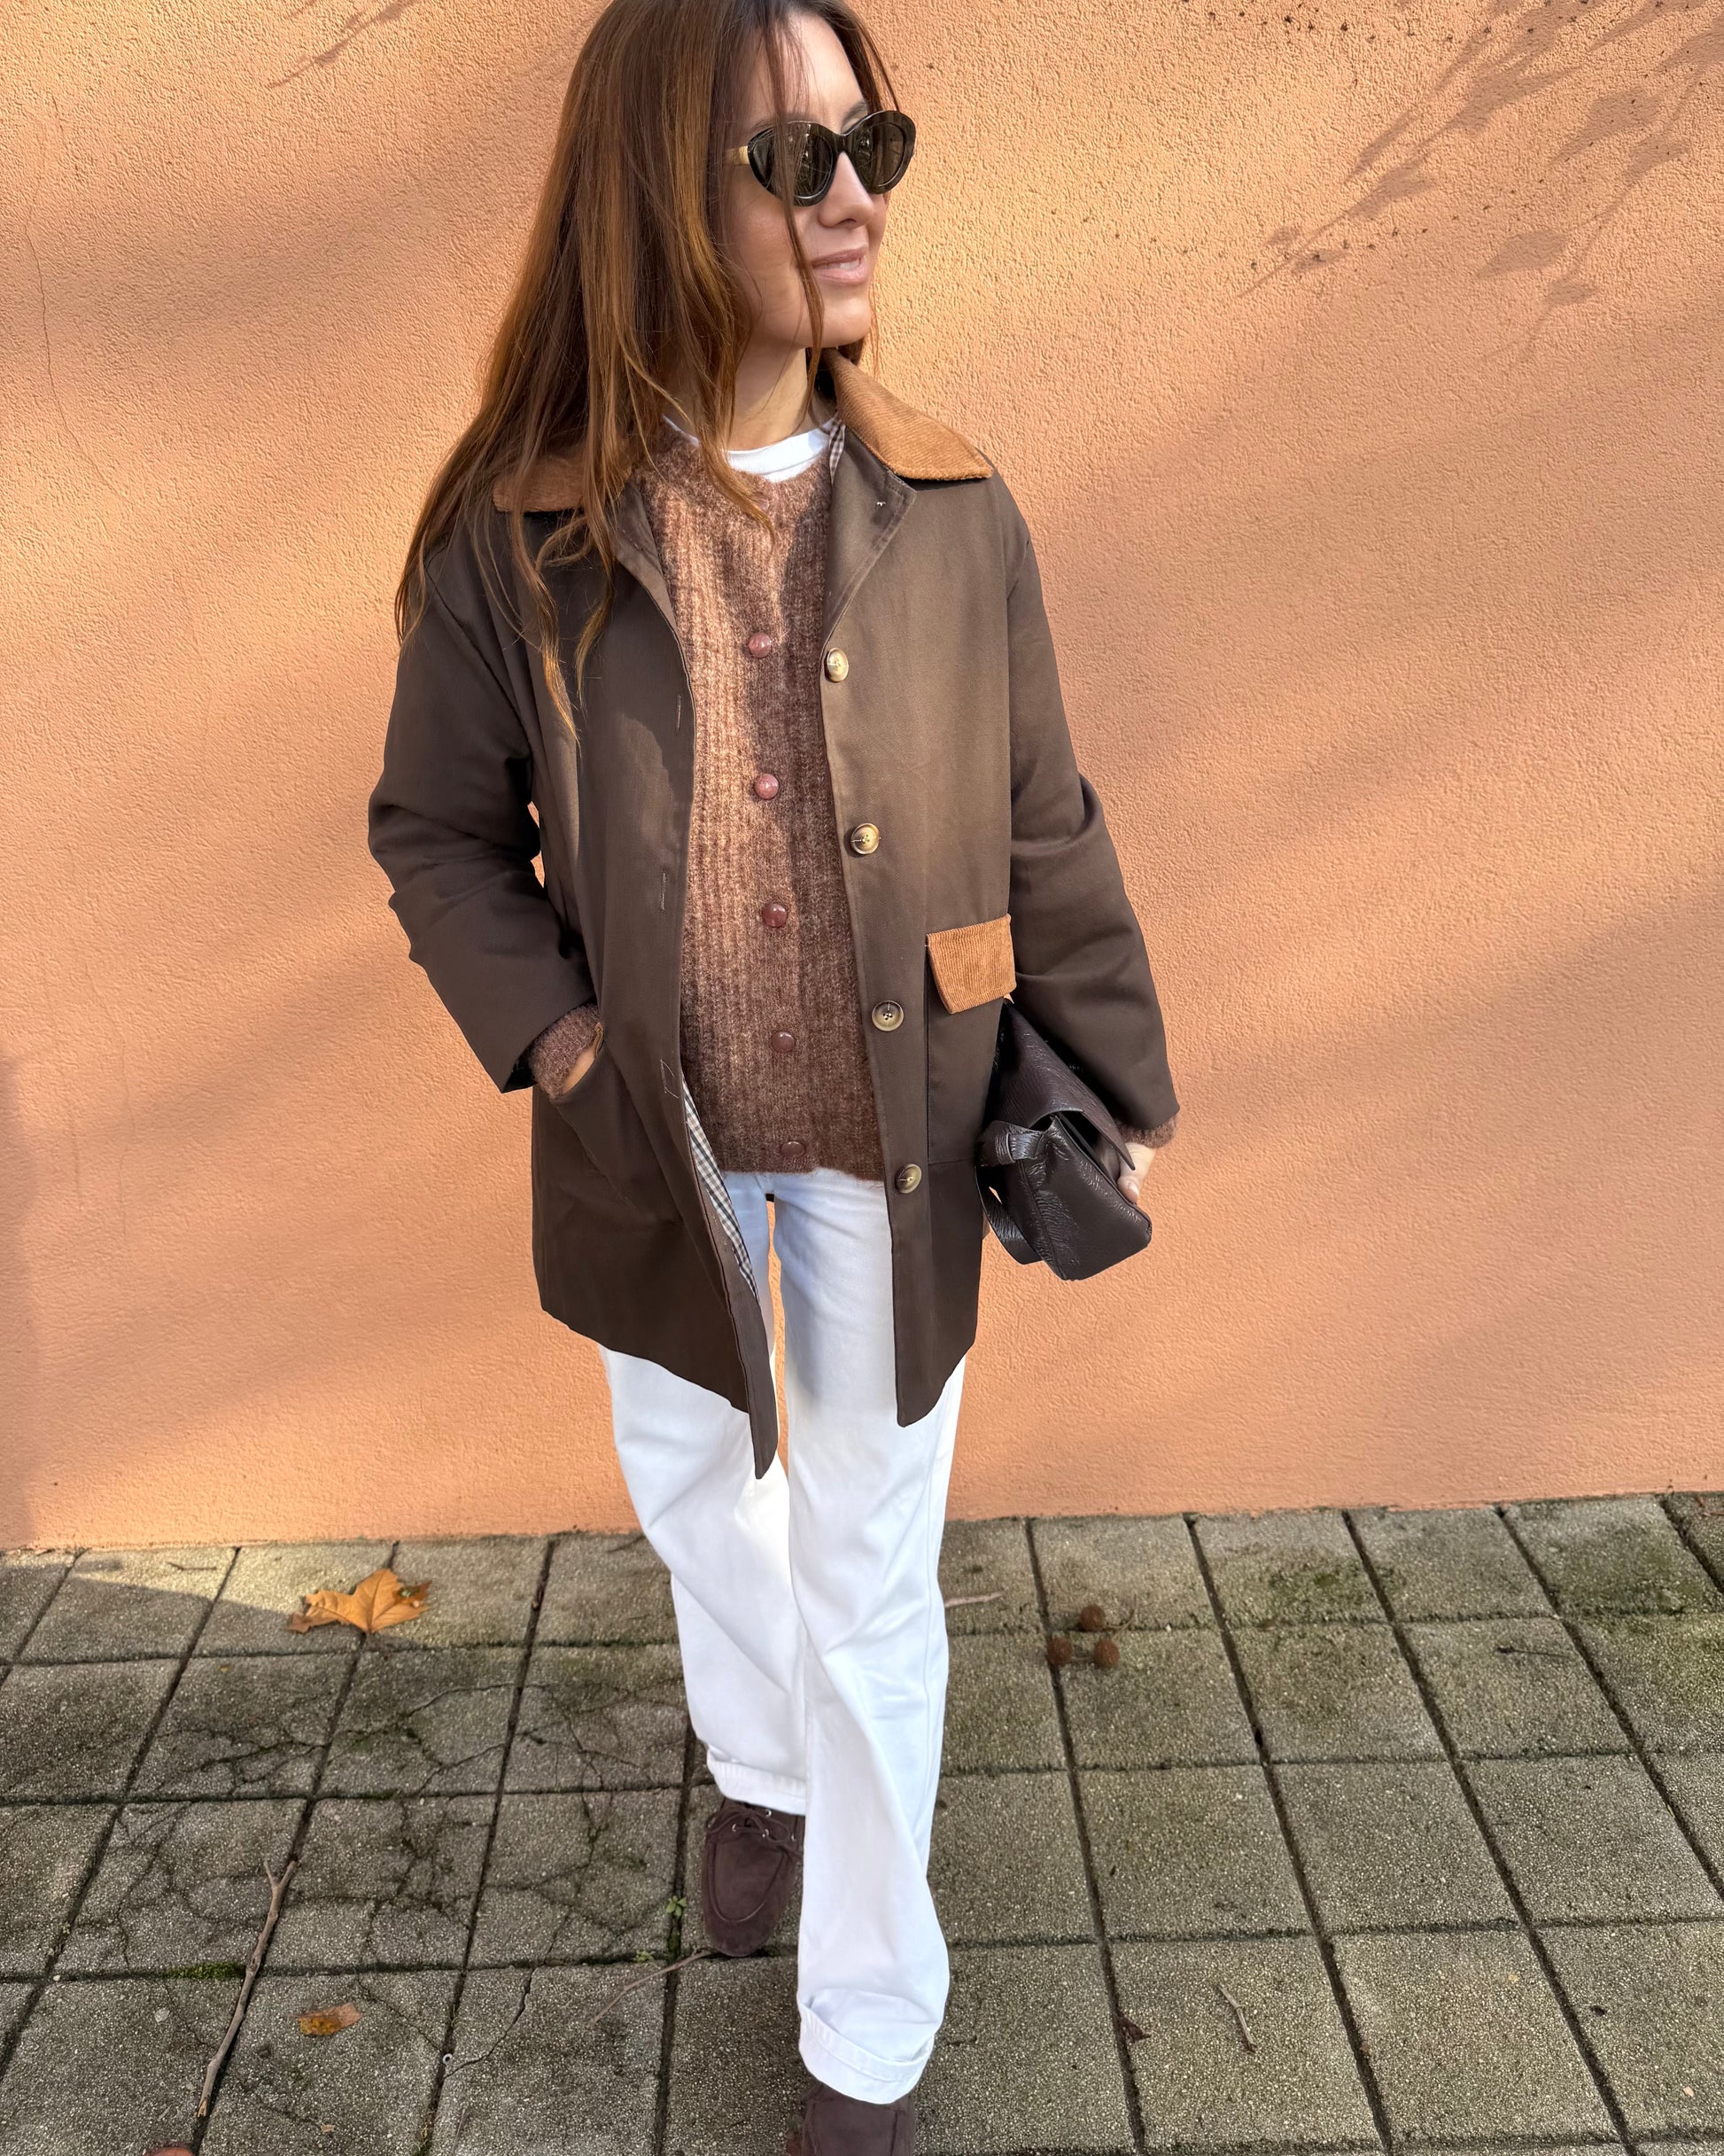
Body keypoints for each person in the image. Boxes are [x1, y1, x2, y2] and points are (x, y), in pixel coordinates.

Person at [368, 0, 1179, 2146]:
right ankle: (757, 1767)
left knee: (870, 1579)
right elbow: (436, 831)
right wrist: (559, 1035)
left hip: (894, 1144)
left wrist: (1108, 1072)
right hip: (650, 1146)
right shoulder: (517, 534)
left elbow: (1040, 811)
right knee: (699, 1497)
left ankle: (866, 2027)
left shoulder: (952, 510)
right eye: (787, 159)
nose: (848, 201)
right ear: (653, 195)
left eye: (866, 146)